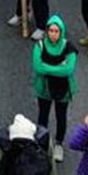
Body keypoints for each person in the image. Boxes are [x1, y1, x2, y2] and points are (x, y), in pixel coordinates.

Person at [31, 16, 78, 152]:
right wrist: (59, 68)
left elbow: (68, 70)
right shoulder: (40, 45)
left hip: (63, 89)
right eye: (50, 30)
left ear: (61, 32)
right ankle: (42, 142)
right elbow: (38, 68)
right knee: (43, 115)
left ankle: (59, 144)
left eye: (56, 31)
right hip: (44, 88)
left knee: (61, 116)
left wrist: (47, 68)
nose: (53, 34)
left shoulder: (69, 47)